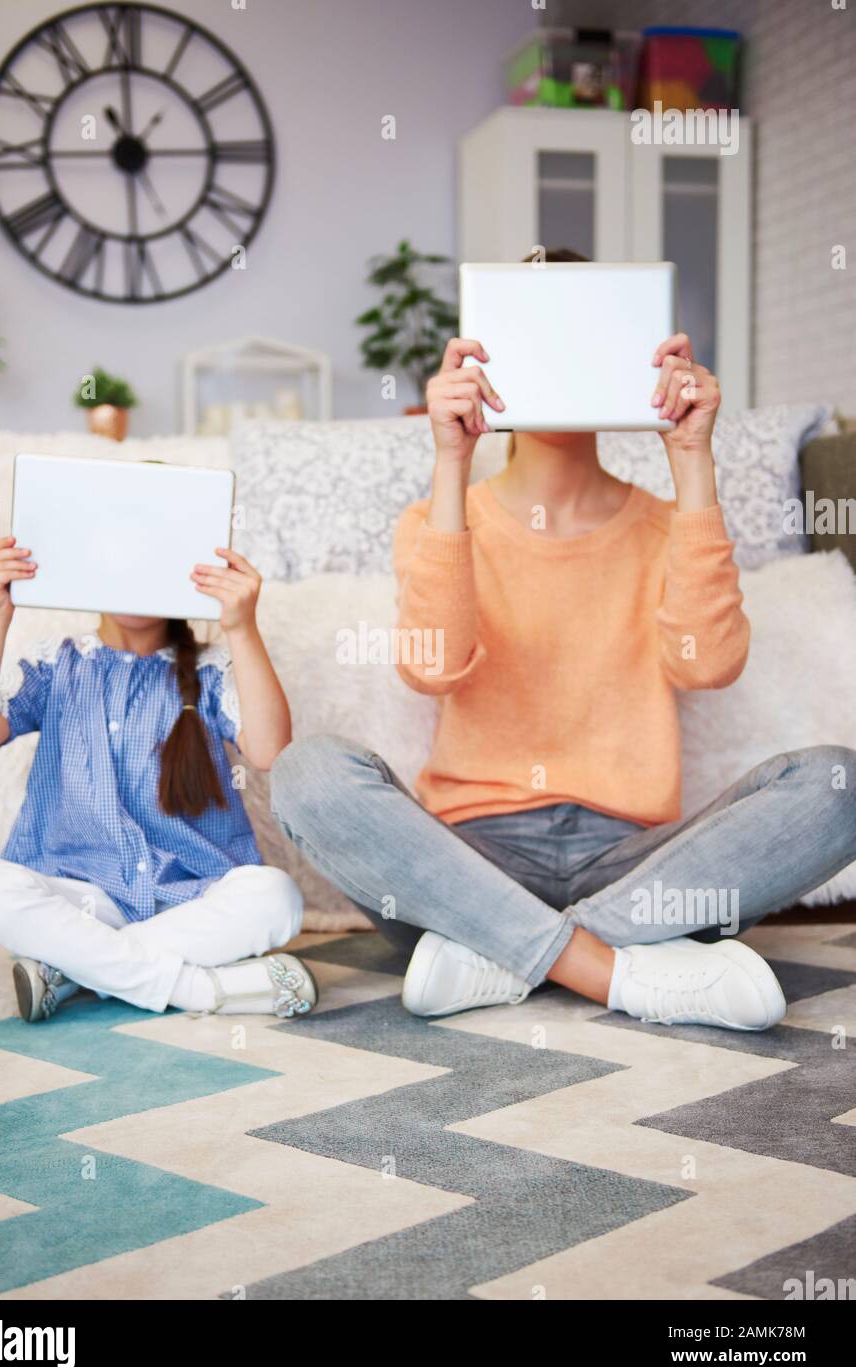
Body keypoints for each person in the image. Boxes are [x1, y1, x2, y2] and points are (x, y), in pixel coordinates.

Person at [270, 270, 855, 1030]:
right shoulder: (440, 517)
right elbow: (430, 666)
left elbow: (707, 663)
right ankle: (614, 970)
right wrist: (450, 461)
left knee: (838, 783)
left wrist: (692, 459)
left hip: (636, 864)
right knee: (307, 772)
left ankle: (502, 957)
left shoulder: (665, 523)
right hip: (466, 866)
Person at [0, 534, 316, 1023]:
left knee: (277, 897)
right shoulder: (58, 664)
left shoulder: (211, 670)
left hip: (192, 899)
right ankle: (201, 989)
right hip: (83, 901)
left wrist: (243, 628)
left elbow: (270, 751)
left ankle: (73, 971)